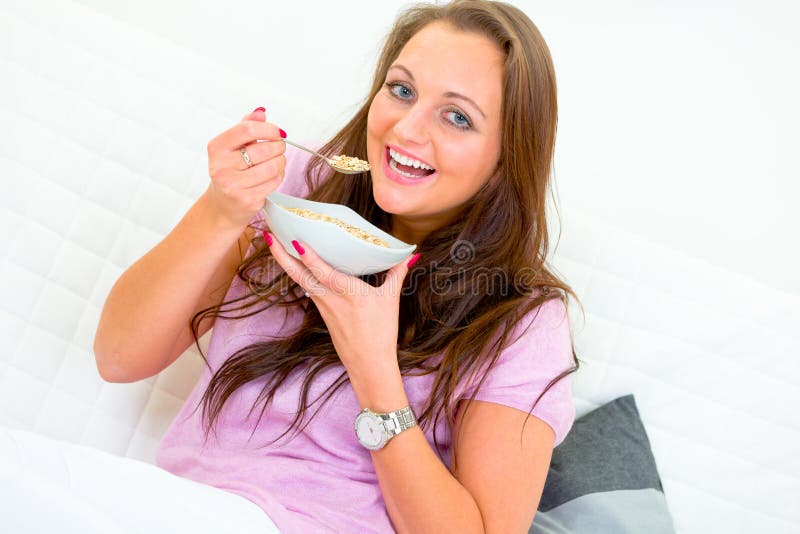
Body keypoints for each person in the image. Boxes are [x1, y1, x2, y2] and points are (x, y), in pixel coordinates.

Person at [94, 0, 582, 532]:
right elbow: (119, 357)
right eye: (401, 90)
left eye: (458, 117)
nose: (407, 130)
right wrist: (219, 212)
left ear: (507, 155)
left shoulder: (522, 319)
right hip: (178, 507)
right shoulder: (294, 190)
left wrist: (374, 369)